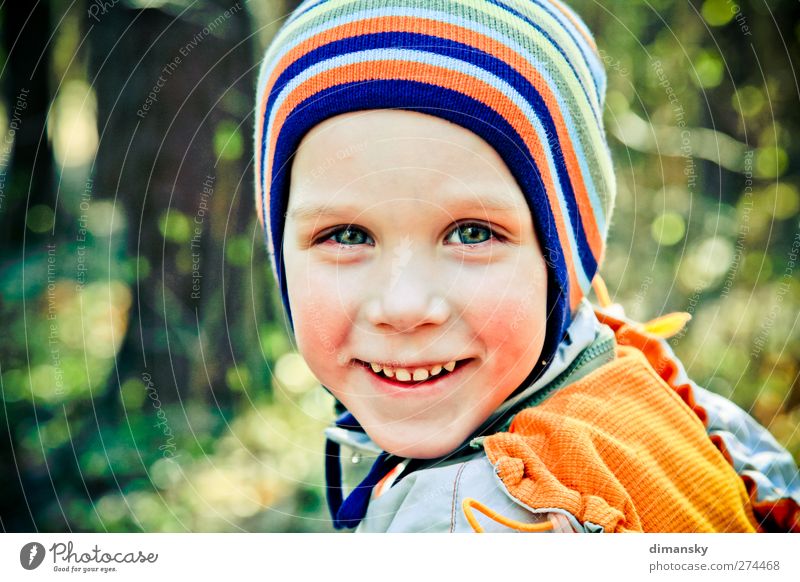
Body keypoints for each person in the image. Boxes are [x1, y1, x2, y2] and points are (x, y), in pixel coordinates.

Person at [253, 0, 800, 532]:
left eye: (471, 234)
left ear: (561, 263)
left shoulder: (475, 516)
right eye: (346, 236)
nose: (404, 306)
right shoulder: (627, 379)